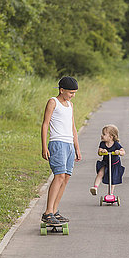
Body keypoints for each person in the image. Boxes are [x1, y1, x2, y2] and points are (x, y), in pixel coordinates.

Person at [41, 76, 82, 226]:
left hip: (69, 144)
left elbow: (73, 127)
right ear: (62, 90)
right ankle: (48, 212)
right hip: (57, 143)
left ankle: (55, 211)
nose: (73, 95)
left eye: (75, 93)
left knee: (66, 178)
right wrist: (44, 146)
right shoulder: (53, 102)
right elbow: (45, 124)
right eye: (71, 92)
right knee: (59, 176)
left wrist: (77, 147)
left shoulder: (70, 105)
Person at [90, 125, 125, 195]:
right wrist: (102, 151)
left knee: (112, 179)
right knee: (100, 173)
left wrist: (119, 152)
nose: (102, 135)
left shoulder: (116, 144)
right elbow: (99, 152)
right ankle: (95, 187)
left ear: (111, 137)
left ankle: (110, 193)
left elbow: (123, 152)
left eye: (104, 134)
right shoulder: (102, 144)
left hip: (115, 164)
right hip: (106, 163)